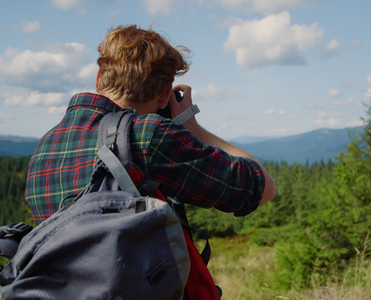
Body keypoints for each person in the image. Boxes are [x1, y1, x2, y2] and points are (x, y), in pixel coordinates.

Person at [25, 24, 275, 224]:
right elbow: (263, 187)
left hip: (55, 287)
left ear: (99, 78)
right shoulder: (150, 136)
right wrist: (193, 128)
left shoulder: (46, 145)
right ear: (166, 95)